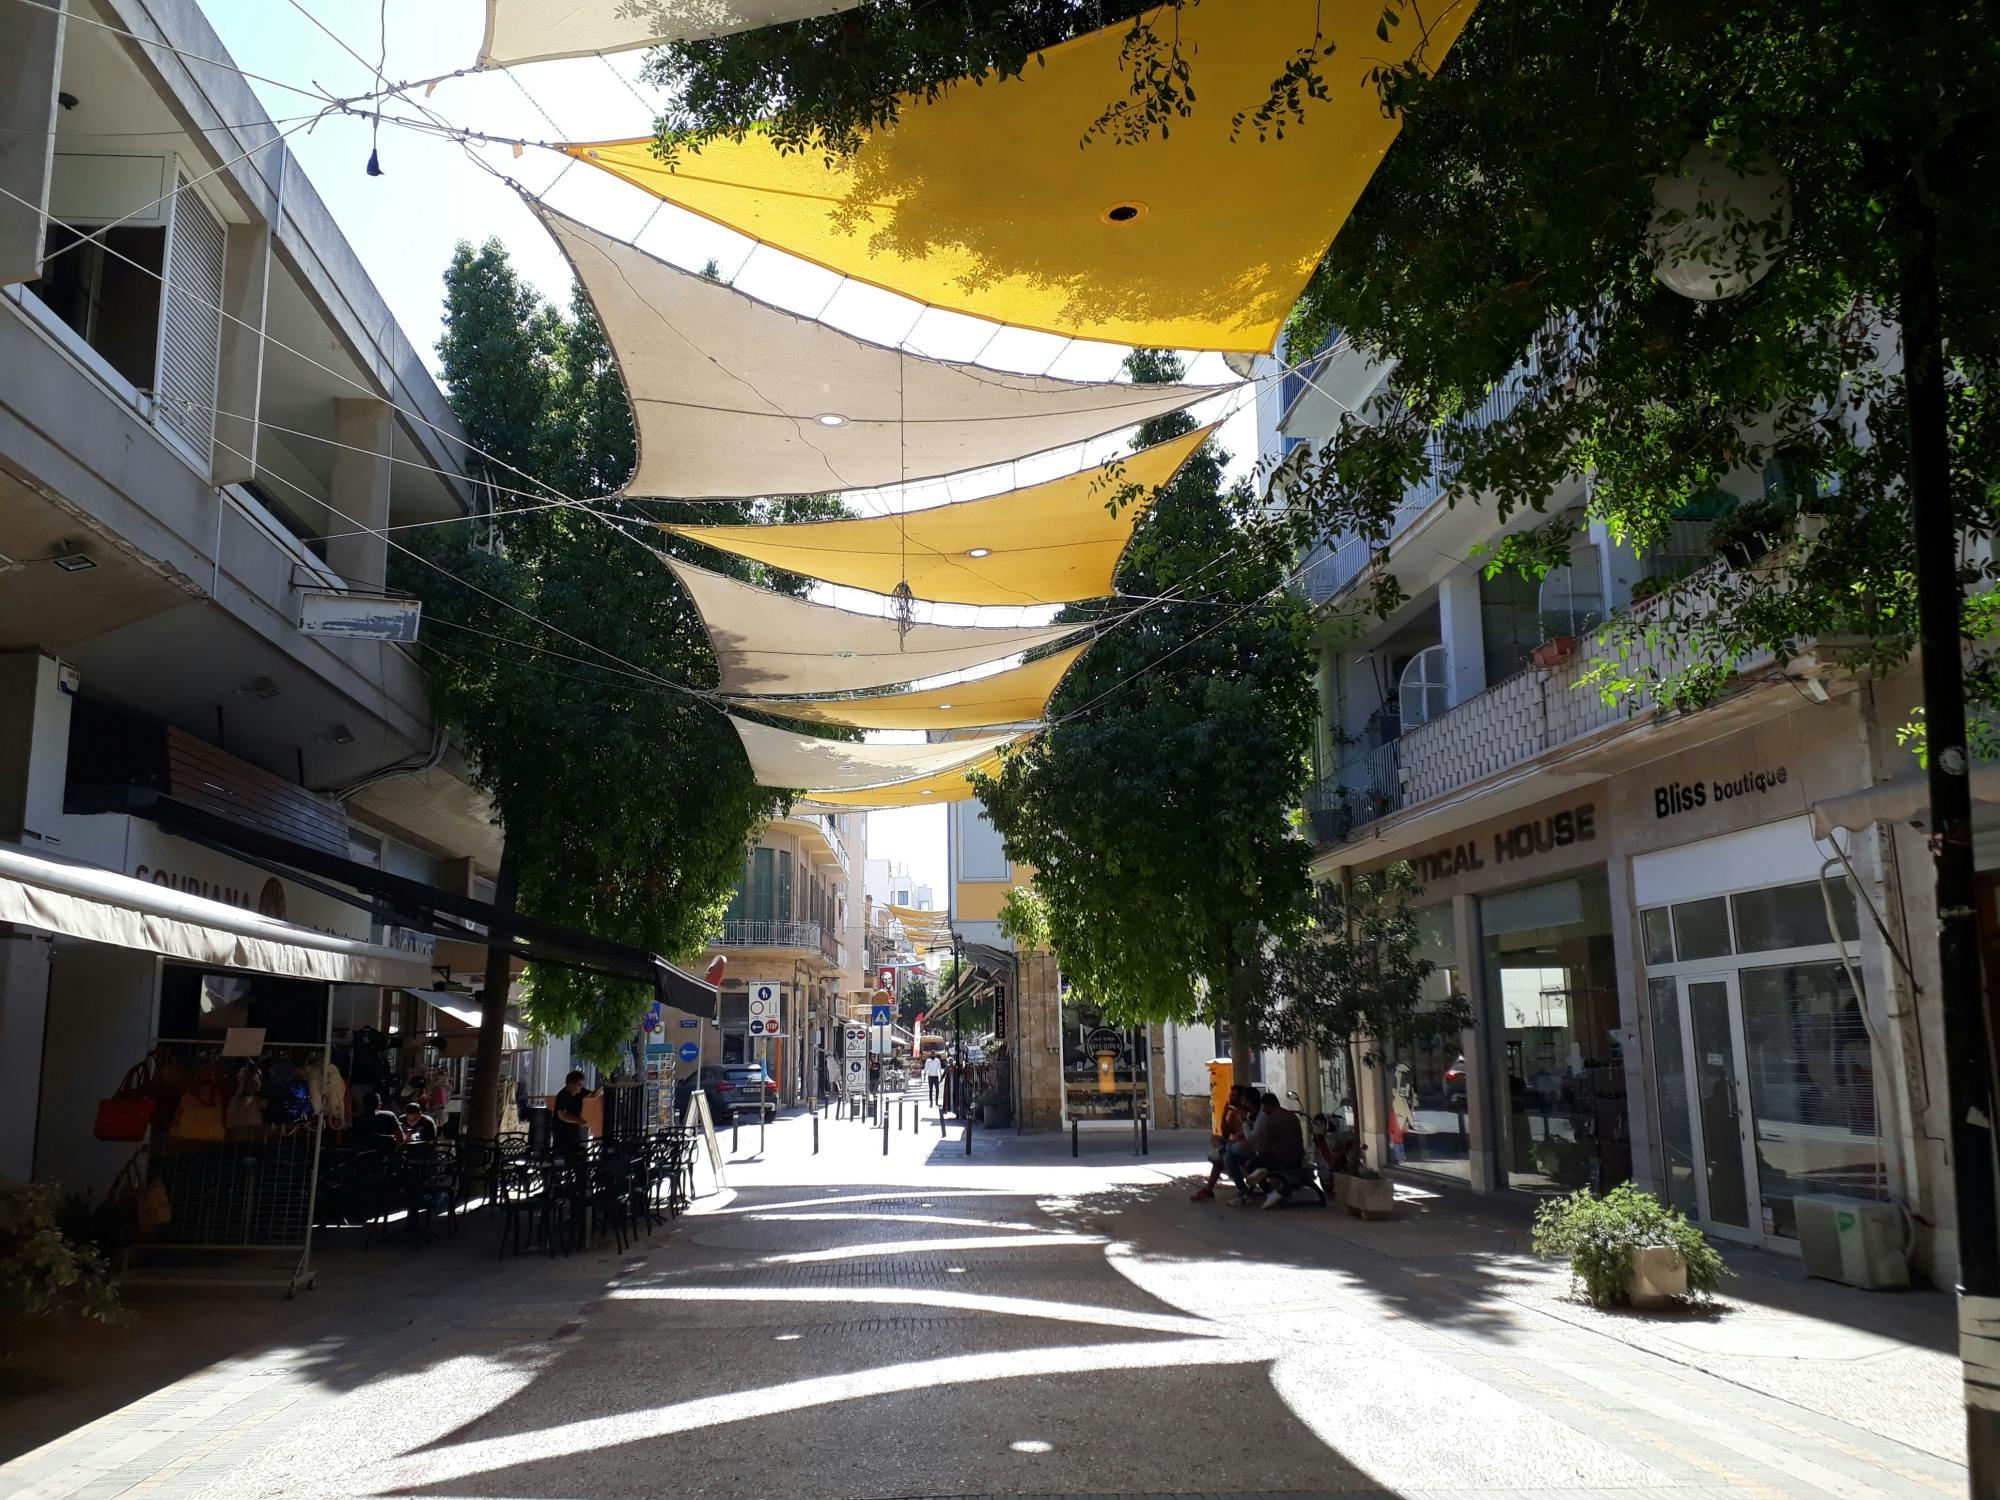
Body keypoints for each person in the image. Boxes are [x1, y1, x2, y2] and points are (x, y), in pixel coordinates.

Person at [1234, 1091, 1306, 1209]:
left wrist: (1256, 1148)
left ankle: (1271, 1193)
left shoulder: (1270, 1121)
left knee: (1251, 1165)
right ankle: (1267, 1178)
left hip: (1282, 1161)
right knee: (1260, 1164)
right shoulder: (1292, 1117)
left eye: (1264, 1108)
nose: (1263, 1111)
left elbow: (1265, 1149)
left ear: (1267, 1106)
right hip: (1297, 1158)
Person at [1191, 1085, 1255, 1202]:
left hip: (1245, 1149)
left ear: (1241, 1099)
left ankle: (1209, 1188)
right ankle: (1222, 1152)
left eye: (1234, 1096)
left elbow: (1245, 1136)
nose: (1231, 1097)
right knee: (1215, 1139)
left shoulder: (1241, 1114)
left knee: (1221, 1159)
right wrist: (1225, 1111)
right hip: (1235, 1146)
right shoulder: (1233, 1112)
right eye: (1230, 1095)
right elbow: (1225, 1133)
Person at [551, 1069, 592, 1157]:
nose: (581, 1087)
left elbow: (593, 1095)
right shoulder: (563, 1096)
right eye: (579, 1085)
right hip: (562, 1132)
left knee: (576, 1154)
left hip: (574, 1131)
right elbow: (562, 1115)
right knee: (562, 1156)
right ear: (571, 1084)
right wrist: (578, 1120)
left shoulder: (580, 1092)